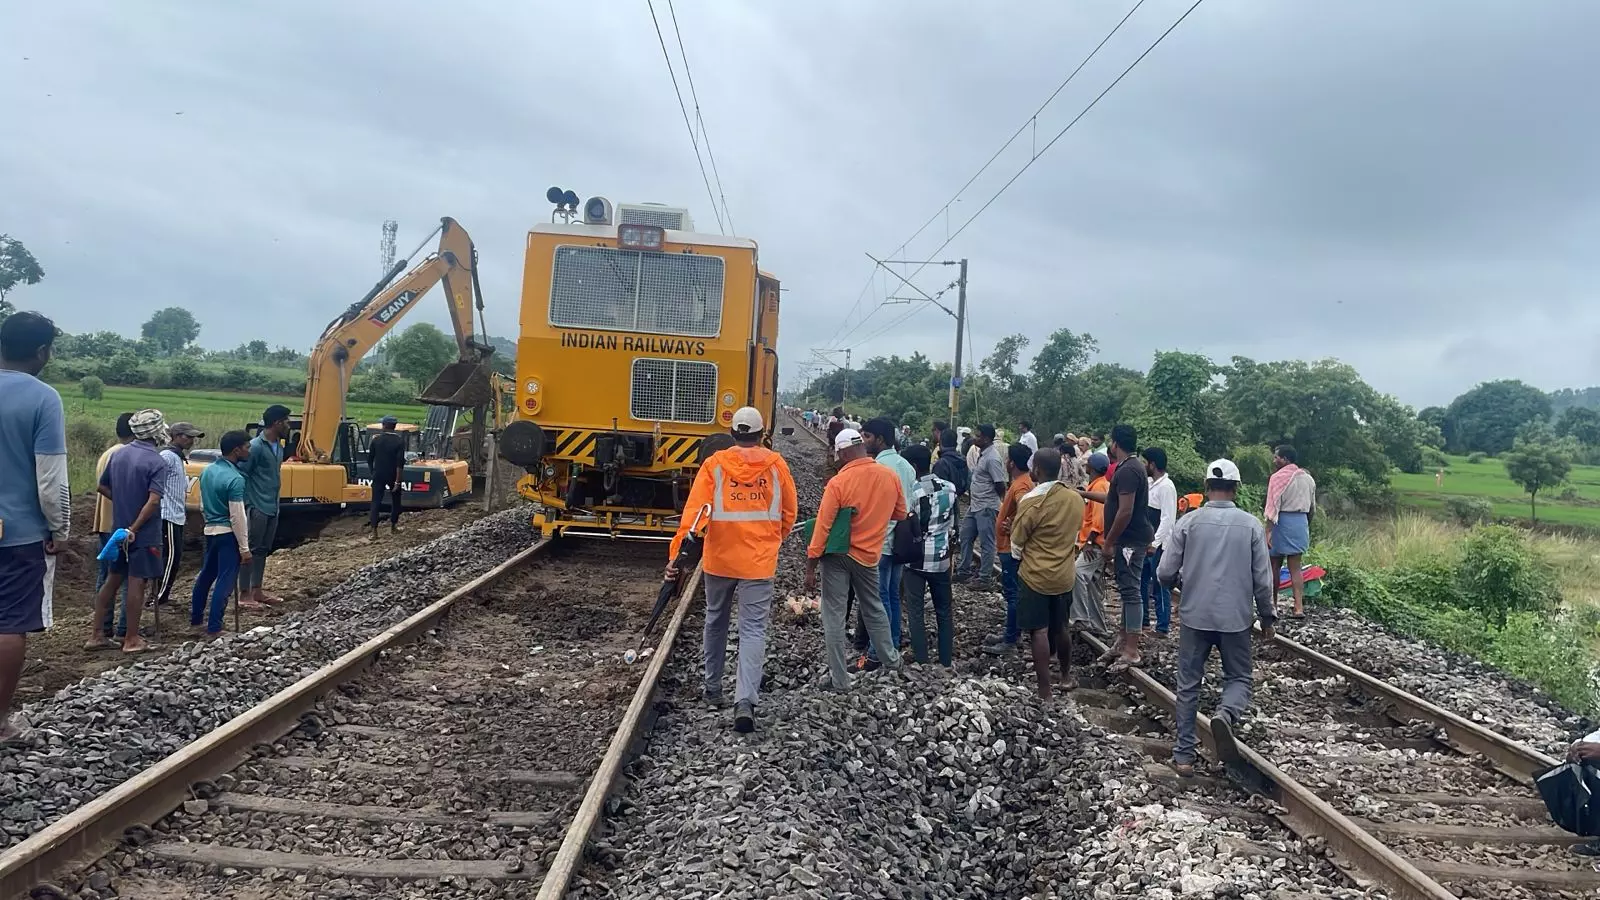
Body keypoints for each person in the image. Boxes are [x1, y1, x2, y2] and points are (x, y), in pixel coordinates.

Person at [669, 407, 797, 732]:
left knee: (716, 618)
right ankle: (745, 701)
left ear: (732, 432)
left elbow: (694, 516)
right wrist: (770, 541)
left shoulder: (714, 466)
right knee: (753, 629)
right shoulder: (777, 466)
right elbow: (789, 513)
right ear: (762, 432)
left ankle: (712, 689)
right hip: (758, 561)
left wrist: (677, 556)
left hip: (720, 559)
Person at [1157, 458, 1275, 777]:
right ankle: (1225, 713)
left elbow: (1165, 570)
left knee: (1188, 684)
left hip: (1195, 616)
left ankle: (1183, 756)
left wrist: (1174, 585)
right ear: (1236, 488)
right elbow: (1263, 579)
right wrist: (1267, 617)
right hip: (1235, 618)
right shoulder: (1250, 525)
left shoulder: (1189, 522)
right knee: (1239, 678)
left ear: (1207, 487)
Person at [0, 313, 69, 743]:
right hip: (18, 534)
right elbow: (50, 480)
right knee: (8, 625)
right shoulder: (44, 399)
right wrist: (60, 530)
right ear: (42, 352)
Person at [804, 428, 906, 691]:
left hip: (838, 556)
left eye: (839, 454)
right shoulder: (890, 476)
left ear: (845, 451)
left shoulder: (839, 482)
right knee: (874, 608)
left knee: (834, 617)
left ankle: (839, 680)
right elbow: (901, 513)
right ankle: (892, 663)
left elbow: (823, 528)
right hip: (870, 556)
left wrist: (811, 566)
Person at [88, 408, 168, 654]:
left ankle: (97, 635)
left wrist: (123, 504)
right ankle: (131, 638)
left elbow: (102, 486)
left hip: (118, 531)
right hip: (142, 534)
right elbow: (154, 501)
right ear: (156, 431)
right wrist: (135, 527)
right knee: (137, 582)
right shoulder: (156, 461)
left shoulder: (119, 455)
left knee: (112, 579)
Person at [1008, 448, 1083, 699]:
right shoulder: (1074, 498)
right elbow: (1074, 534)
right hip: (1064, 575)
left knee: (1038, 631)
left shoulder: (1031, 501)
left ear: (1037, 470)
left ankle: (1044, 691)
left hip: (1035, 577)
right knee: (1061, 626)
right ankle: (1065, 677)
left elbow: (1017, 544)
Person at [1088, 424, 1153, 671]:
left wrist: (1109, 542)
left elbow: (1125, 510)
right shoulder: (1130, 468)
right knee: (1128, 590)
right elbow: (1114, 500)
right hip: (1132, 538)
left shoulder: (1127, 470)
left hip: (1129, 540)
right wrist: (1084, 493)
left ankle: (1131, 650)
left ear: (1115, 444)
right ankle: (1122, 641)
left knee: (1131, 592)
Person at [859, 418, 915, 670]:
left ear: (880, 439)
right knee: (891, 596)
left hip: (879, 542)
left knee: (876, 602)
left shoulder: (876, 467)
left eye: (867, 436)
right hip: (900, 544)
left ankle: (876, 653)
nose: (864, 441)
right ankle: (891, 645)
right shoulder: (906, 466)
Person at [899, 444, 958, 666]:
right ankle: (945, 659)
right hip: (941, 558)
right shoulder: (950, 488)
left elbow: (905, 523)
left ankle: (922, 660)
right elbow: (953, 524)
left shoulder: (911, 491)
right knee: (944, 610)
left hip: (916, 559)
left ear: (913, 466)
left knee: (915, 610)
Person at [191, 431, 253, 638]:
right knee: (225, 580)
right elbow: (238, 516)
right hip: (227, 534)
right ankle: (215, 626)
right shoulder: (236, 479)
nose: (248, 450)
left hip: (210, 531)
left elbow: (201, 505)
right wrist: (244, 548)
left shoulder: (208, 472)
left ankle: (196, 619)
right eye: (246, 446)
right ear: (237, 450)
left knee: (206, 575)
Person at [984, 444, 1035, 656]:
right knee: (1013, 593)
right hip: (1008, 545)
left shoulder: (1021, 485)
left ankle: (1010, 640)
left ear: (1011, 463)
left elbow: (1026, 507)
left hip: (1010, 547)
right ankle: (1012, 633)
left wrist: (1014, 523)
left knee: (1013, 594)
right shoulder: (1022, 482)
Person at [239, 405, 290, 609]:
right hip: (257, 505)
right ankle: (244, 594)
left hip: (272, 505)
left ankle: (257, 590)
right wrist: (247, 503)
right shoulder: (256, 447)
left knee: (262, 550)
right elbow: (243, 474)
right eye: (286, 421)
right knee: (249, 550)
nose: (288, 425)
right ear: (276, 422)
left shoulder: (279, 445)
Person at [152, 422, 204, 609]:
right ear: (175, 436)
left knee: (172, 558)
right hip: (169, 515)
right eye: (187, 437)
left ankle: (161, 596)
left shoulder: (177, 457)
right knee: (171, 558)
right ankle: (157, 598)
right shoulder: (167, 457)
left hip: (175, 514)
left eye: (192, 437)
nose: (191, 441)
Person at [94, 412, 134, 640]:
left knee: (106, 576)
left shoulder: (108, 453)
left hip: (105, 522)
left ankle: (104, 626)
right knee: (128, 577)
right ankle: (124, 629)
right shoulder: (125, 454)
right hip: (119, 525)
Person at [1265, 445, 1317, 617]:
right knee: (1296, 567)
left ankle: (1273, 605)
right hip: (1300, 522)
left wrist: (1268, 532)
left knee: (1274, 565)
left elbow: (1272, 507)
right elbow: (1312, 508)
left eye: (1276, 457)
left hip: (1282, 522)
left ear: (1285, 459)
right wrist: (1304, 525)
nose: (1274, 461)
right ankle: (1299, 607)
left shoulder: (1277, 478)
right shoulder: (1308, 479)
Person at [955, 424, 1006, 587]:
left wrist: (993, 502)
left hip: (986, 505)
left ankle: (984, 578)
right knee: (966, 536)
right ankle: (963, 571)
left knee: (986, 543)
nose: (975, 439)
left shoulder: (992, 458)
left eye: (978, 436)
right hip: (976, 504)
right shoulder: (983, 454)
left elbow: (1000, 484)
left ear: (986, 438)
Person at [1071, 452, 1112, 635]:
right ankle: (1099, 627)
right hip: (1095, 543)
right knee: (1092, 585)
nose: (1085, 466)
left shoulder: (1101, 487)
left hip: (1095, 544)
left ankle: (1081, 618)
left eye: (1087, 464)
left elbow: (1100, 519)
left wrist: (1089, 541)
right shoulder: (1098, 484)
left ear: (1092, 468)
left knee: (1076, 574)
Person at [1142, 447, 1178, 636]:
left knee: (1159, 584)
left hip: (1159, 545)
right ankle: (1144, 622)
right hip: (1148, 541)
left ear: (1152, 464)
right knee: (1142, 581)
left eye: (1145, 462)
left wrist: (1155, 543)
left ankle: (1162, 626)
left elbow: (1167, 519)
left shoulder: (1166, 487)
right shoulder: (1151, 484)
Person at [367, 415, 407, 536]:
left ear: (384, 426)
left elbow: (369, 459)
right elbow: (400, 463)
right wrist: (397, 482)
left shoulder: (376, 440)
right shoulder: (399, 441)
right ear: (394, 427)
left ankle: (374, 531)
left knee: (376, 502)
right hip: (393, 475)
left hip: (378, 474)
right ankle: (393, 527)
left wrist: (372, 472)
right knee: (395, 501)